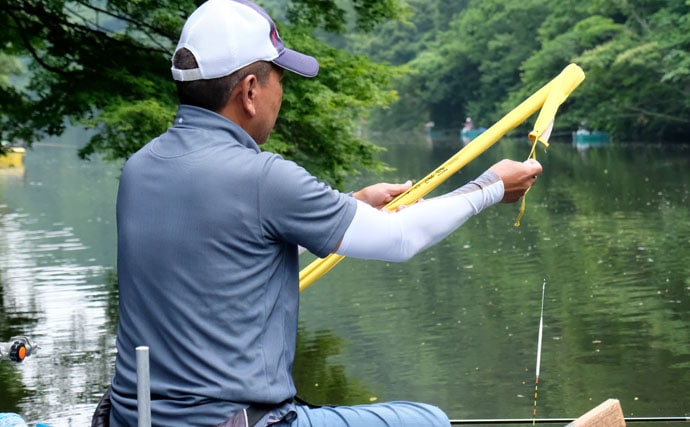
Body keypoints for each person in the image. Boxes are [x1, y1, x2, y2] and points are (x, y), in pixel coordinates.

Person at [106, 0, 543, 426]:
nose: (283, 92)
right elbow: (400, 239)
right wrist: (489, 188)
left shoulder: (140, 168)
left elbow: (228, 243)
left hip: (133, 418)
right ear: (251, 91)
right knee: (428, 420)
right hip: (236, 423)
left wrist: (350, 205)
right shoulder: (262, 177)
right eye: (280, 77)